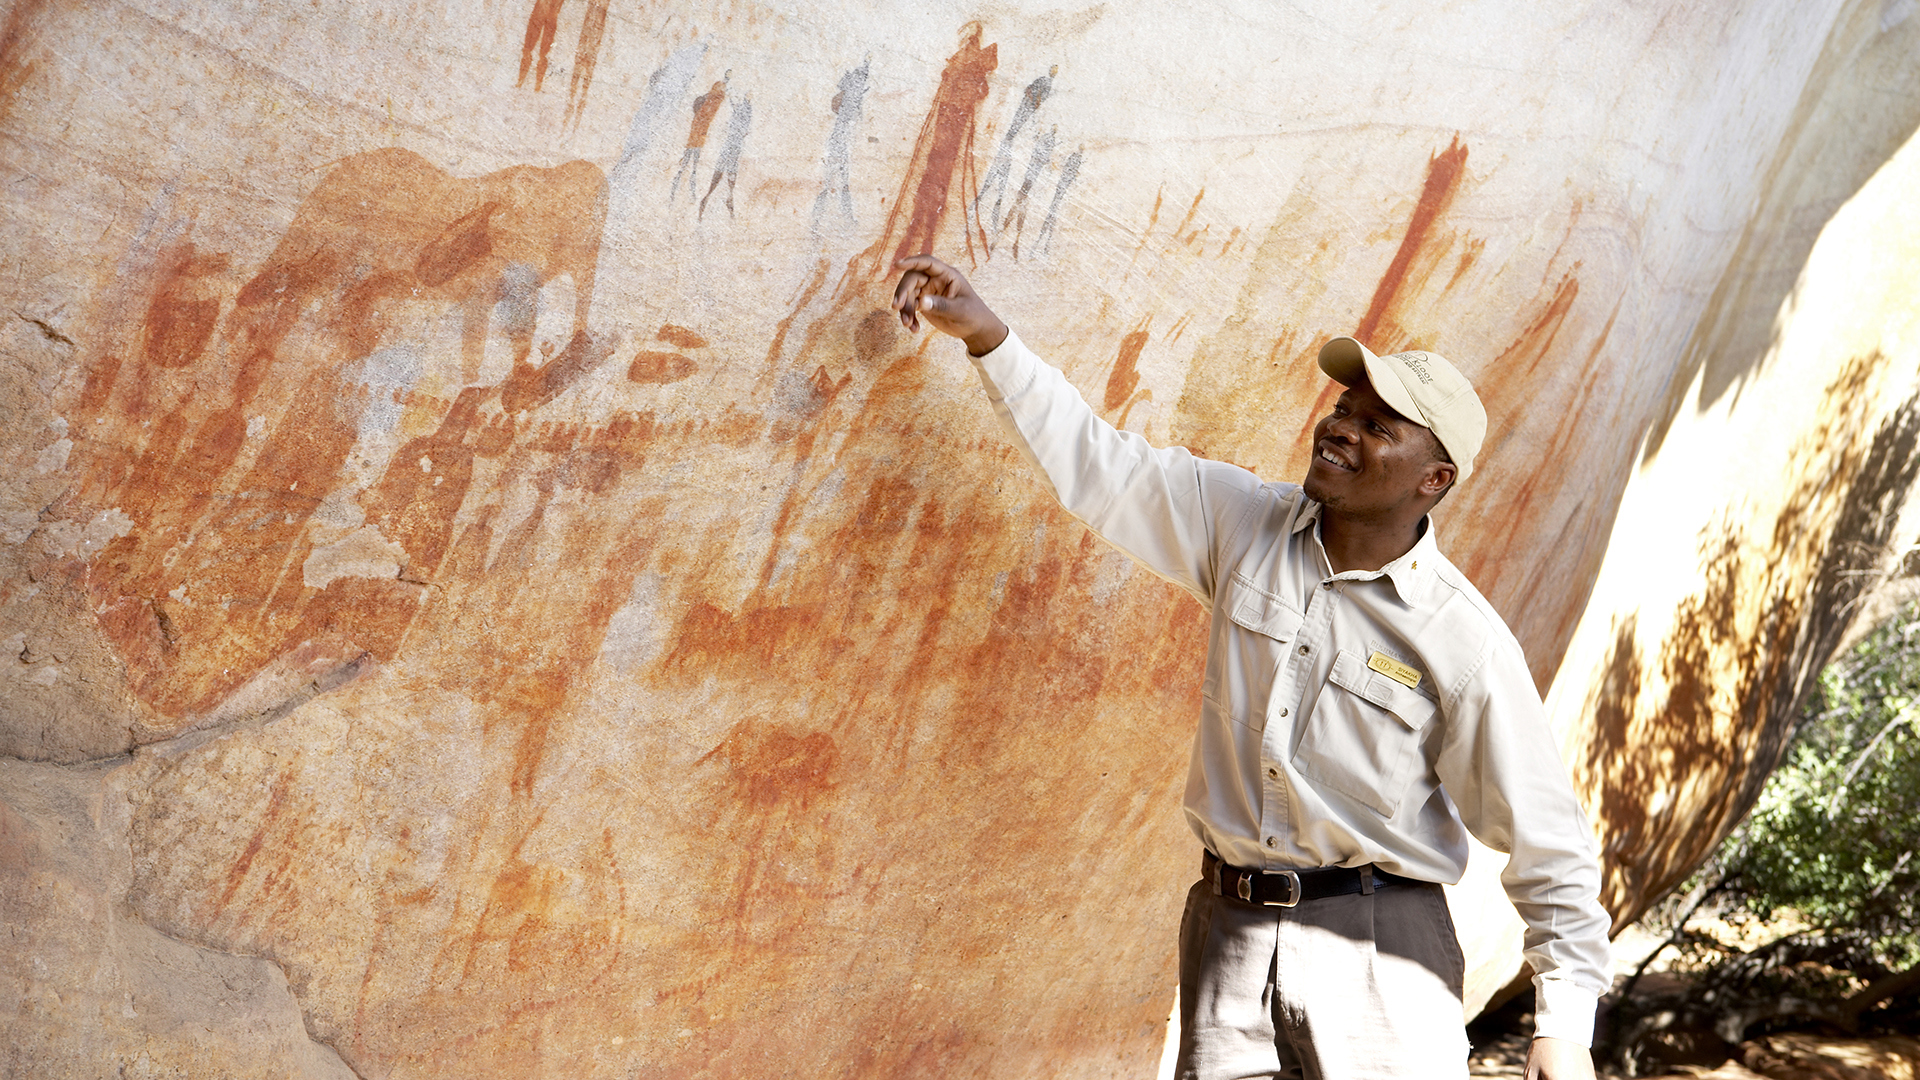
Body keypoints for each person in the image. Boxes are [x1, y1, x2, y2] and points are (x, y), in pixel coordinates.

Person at [890, 255, 1612, 1080]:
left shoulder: (1463, 641)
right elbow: (1099, 466)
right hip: (1227, 936)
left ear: (1434, 479)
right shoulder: (1241, 523)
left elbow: (1549, 841)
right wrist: (989, 338)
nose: (1341, 428)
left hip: (1381, 957)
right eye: (1344, 409)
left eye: (1380, 427)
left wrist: (1565, 1024)